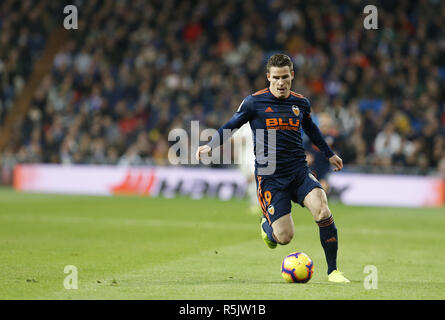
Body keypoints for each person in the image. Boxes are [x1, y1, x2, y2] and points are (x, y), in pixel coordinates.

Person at [196, 53, 349, 283]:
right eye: (276, 77)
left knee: (322, 209)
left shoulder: (300, 103)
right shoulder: (253, 102)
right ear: (268, 77)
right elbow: (232, 125)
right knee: (285, 237)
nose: (280, 82)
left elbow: (312, 130)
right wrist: (211, 145)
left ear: (292, 76)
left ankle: (333, 271)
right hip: (270, 177)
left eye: (285, 77)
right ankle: (267, 226)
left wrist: (329, 155)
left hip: (298, 171)